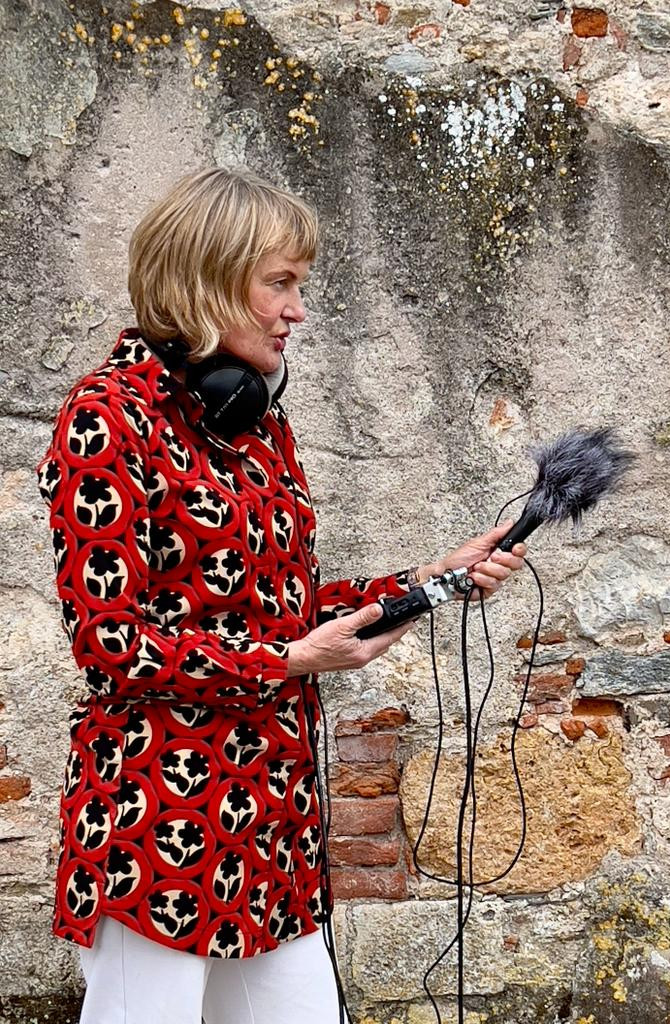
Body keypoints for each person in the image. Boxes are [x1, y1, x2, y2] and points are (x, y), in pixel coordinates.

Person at [36, 166, 527, 1024]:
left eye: (300, 285)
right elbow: (109, 642)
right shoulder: (106, 417)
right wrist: (289, 661)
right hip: (159, 818)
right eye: (280, 283)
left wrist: (426, 580)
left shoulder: (257, 423)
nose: (297, 310)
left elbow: (282, 607)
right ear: (206, 280)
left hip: (274, 819)